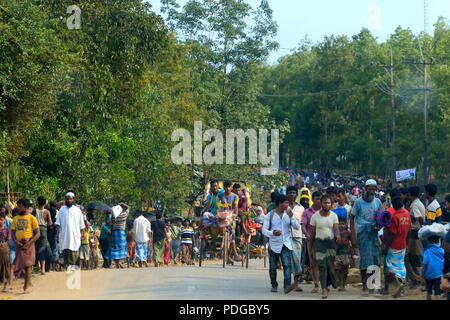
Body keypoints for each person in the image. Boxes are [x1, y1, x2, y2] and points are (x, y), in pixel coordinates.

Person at [350, 179, 385, 296]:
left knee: (375, 260)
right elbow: (352, 218)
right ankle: (365, 286)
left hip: (374, 234)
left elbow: (383, 217)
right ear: (365, 189)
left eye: (373, 189)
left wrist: (379, 227)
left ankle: (374, 286)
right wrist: (353, 237)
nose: (371, 191)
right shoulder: (358, 202)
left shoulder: (378, 202)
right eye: (369, 189)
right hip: (363, 233)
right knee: (365, 261)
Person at [262, 194, 300, 294]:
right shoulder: (269, 215)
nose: (288, 205)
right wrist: (272, 233)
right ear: (280, 204)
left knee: (287, 265)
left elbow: (297, 227)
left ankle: (287, 285)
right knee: (273, 266)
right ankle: (274, 285)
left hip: (286, 243)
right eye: (286, 203)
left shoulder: (289, 214)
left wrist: (292, 217)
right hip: (274, 244)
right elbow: (264, 230)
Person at [310, 194, 340, 299]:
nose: (326, 205)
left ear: (331, 204)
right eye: (324, 202)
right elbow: (312, 234)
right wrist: (311, 249)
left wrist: (338, 235)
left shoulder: (334, 216)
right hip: (319, 244)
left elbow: (336, 229)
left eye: (328, 203)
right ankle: (323, 289)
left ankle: (328, 285)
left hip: (330, 243)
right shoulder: (315, 217)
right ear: (321, 203)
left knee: (330, 267)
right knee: (322, 266)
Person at [382, 197, 411, 298]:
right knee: (401, 265)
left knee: (391, 266)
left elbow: (393, 234)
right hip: (403, 243)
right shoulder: (407, 214)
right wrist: (406, 244)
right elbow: (409, 231)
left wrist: (386, 246)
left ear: (393, 206)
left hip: (394, 244)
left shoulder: (395, 217)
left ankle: (399, 284)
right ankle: (401, 285)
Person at [12, 198, 40, 293]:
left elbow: (37, 233)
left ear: (27, 207)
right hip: (19, 245)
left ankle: (26, 287)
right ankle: (27, 281)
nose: (18, 208)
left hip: (29, 244)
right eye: (18, 206)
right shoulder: (15, 219)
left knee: (28, 266)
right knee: (19, 265)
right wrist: (16, 241)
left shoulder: (32, 218)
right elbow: (13, 233)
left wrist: (29, 243)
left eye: (20, 206)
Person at [55, 192, 85, 271]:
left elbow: (81, 224)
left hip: (74, 234)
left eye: (70, 199)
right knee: (65, 250)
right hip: (64, 234)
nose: (69, 200)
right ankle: (67, 265)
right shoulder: (62, 210)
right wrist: (57, 234)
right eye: (67, 199)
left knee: (74, 249)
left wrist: (83, 233)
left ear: (73, 199)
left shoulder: (77, 210)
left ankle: (72, 265)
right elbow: (58, 223)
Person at [301, 191, 322, 293]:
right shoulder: (306, 212)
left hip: (324, 240)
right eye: (317, 199)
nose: (319, 201)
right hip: (311, 241)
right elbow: (303, 226)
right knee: (313, 263)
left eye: (320, 199)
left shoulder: (326, 211)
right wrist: (307, 234)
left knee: (324, 262)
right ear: (312, 199)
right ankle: (316, 284)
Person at [406, 186, 426, 288]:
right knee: (417, 256)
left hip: (415, 232)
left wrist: (421, 226)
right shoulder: (419, 203)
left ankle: (417, 280)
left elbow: (419, 218)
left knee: (415, 256)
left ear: (410, 194)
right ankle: (418, 279)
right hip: (417, 232)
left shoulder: (414, 205)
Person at [218, 180, 241, 264]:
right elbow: (218, 206)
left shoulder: (235, 197)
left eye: (229, 187)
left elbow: (235, 207)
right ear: (223, 187)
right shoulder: (220, 196)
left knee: (232, 231)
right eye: (226, 187)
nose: (227, 188)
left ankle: (234, 252)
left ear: (231, 188)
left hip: (230, 217)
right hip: (221, 216)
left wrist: (235, 215)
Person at [286, 186, 304, 291]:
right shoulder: (283, 207)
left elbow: (303, 224)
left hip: (298, 236)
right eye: (290, 192)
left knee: (297, 260)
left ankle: (296, 282)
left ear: (296, 195)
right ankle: (288, 283)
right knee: (288, 261)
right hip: (286, 237)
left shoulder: (301, 208)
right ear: (287, 194)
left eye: (294, 193)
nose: (292, 194)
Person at [421, 235, 445, 300]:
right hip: (438, 274)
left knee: (428, 292)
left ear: (429, 241)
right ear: (438, 241)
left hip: (428, 275)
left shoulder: (427, 251)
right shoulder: (441, 250)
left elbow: (424, 264)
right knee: (438, 293)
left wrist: (423, 277)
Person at [34, 196, 53, 274]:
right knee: (44, 249)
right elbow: (50, 222)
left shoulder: (34, 211)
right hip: (44, 230)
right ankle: (43, 269)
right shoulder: (47, 212)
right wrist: (45, 224)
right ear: (45, 203)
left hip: (36, 230)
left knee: (36, 247)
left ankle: (38, 264)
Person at [334, 217, 352, 292]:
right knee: (340, 269)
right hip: (338, 254)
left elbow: (352, 241)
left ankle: (343, 283)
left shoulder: (348, 233)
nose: (341, 225)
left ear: (345, 225)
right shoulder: (335, 234)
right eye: (339, 224)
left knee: (346, 270)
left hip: (346, 254)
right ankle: (340, 284)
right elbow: (334, 244)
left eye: (343, 224)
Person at [110, 203, 130, 268]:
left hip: (115, 232)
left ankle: (117, 262)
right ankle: (120, 261)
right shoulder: (124, 214)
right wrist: (123, 204)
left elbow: (111, 224)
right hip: (121, 232)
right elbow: (128, 208)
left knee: (116, 247)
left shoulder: (114, 216)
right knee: (122, 247)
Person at [0, 212, 11, 292]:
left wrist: (5, 244)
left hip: (4, 249)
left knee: (6, 265)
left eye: (1, 219)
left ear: (4, 220)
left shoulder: (6, 229)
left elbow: (8, 239)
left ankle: (7, 282)